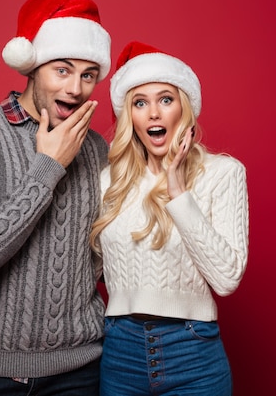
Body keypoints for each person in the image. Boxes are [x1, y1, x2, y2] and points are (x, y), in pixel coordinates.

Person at [0, 0, 112, 396]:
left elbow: (106, 256)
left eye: (88, 75)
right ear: (33, 67)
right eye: (62, 70)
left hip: (82, 370)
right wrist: (48, 167)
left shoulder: (97, 149)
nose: (75, 88)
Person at [90, 41, 249, 396]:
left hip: (193, 351)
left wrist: (178, 195)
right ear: (130, 115)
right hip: (120, 351)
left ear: (184, 107)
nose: (154, 114)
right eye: (140, 103)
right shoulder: (108, 182)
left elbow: (225, 279)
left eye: (165, 99)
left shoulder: (222, 173)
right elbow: (85, 273)